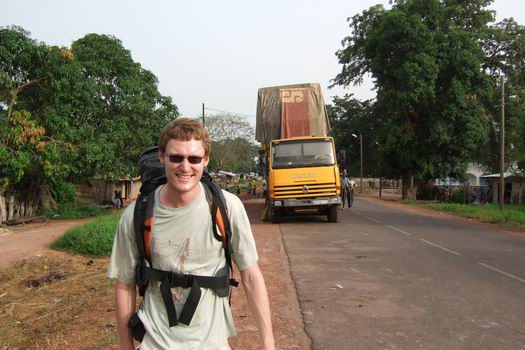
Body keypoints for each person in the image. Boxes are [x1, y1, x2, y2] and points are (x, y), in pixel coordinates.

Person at [108, 118, 275, 350]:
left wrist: (268, 343)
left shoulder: (226, 207)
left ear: (205, 160)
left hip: (211, 343)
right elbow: (124, 284)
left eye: (194, 159)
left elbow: (250, 276)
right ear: (162, 157)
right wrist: (126, 346)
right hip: (154, 342)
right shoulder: (136, 215)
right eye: (176, 157)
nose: (185, 167)